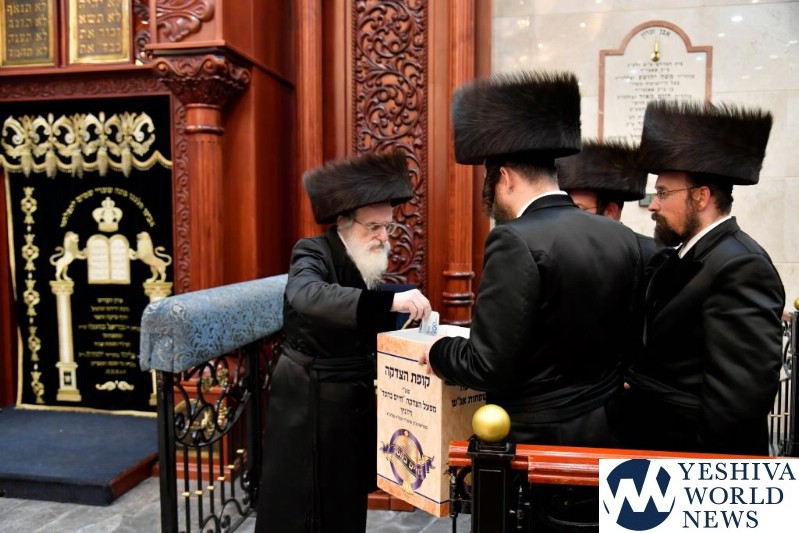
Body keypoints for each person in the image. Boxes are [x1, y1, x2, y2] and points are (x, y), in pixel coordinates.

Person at [419, 71, 643, 530]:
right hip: (607, 430)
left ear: (504, 177)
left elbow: (488, 364)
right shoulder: (620, 236)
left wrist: (437, 351)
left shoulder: (514, 240)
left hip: (538, 449)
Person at [255, 151, 431, 532]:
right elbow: (307, 295)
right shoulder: (311, 251)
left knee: (346, 505)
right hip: (309, 407)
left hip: (349, 406)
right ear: (343, 222)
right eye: (374, 227)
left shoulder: (362, 257)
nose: (383, 237)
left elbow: (367, 306)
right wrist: (391, 302)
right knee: (304, 509)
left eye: (387, 227)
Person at [623, 100, 785, 456]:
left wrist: (702, 474)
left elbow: (738, 404)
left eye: (663, 193)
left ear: (701, 197)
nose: (653, 205)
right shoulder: (690, 254)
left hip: (696, 461)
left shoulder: (741, 265)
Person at [555, 139, 660, 267]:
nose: (568, 218)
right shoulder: (557, 253)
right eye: (567, 209)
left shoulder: (651, 256)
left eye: (579, 210)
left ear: (610, 212)